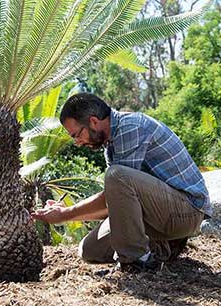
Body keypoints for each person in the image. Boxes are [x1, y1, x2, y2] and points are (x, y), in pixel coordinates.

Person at [32, 93, 211, 273]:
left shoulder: (130, 128)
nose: (77, 143)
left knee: (116, 175)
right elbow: (117, 202)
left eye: (77, 135)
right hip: (158, 214)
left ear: (93, 121)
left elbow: (116, 187)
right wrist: (65, 212)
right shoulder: (110, 143)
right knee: (89, 250)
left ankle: (138, 260)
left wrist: (65, 214)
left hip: (186, 212)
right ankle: (161, 247)